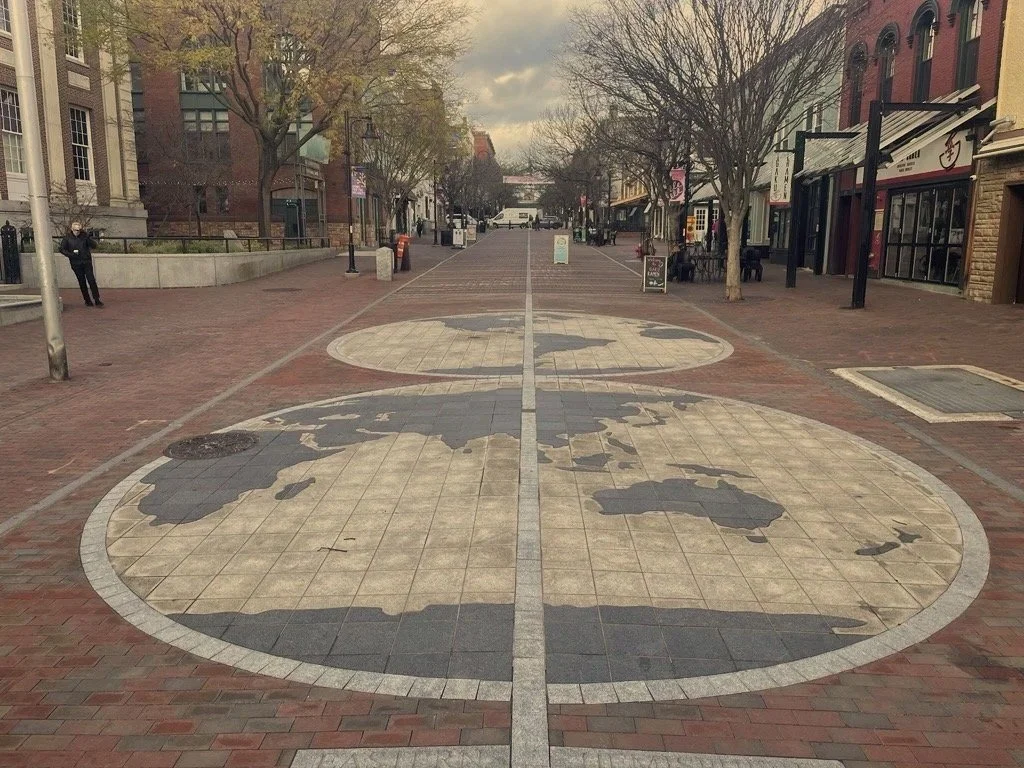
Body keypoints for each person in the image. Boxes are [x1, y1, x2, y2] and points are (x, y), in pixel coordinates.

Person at [59, 221, 103, 307]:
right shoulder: (67, 238)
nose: (77, 232)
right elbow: (62, 249)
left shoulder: (84, 237)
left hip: (86, 261)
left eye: (78, 230)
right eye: (75, 230)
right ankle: (87, 300)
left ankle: (97, 299)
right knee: (82, 281)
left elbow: (94, 246)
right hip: (75, 263)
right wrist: (71, 255)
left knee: (91, 280)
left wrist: (87, 238)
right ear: (72, 229)